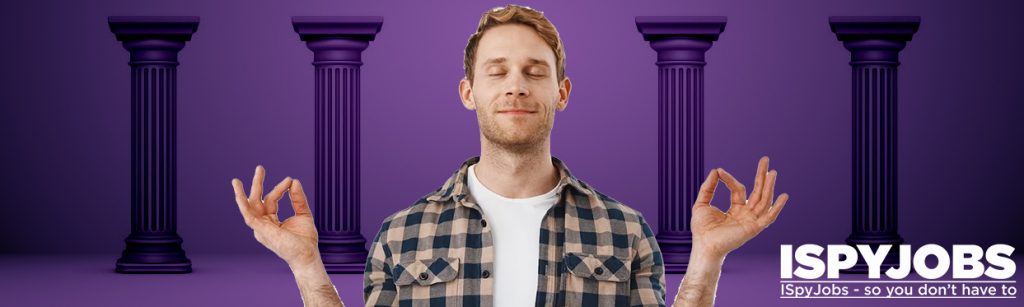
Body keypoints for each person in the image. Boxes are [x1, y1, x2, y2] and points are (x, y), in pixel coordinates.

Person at [230, 5, 789, 307]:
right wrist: (305, 265)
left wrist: (709, 258)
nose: (516, 86)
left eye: (534, 72)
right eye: (497, 72)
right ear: (468, 92)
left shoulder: (626, 231)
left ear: (561, 94)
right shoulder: (401, 235)